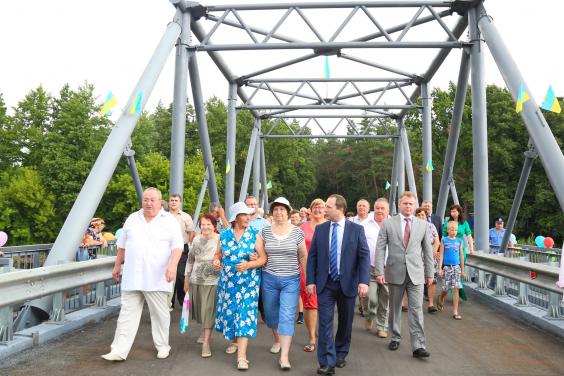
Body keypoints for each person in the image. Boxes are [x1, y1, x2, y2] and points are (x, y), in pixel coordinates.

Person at [101, 188, 183, 361]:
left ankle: (162, 346)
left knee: (160, 314)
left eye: (153, 200)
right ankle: (119, 350)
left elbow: (177, 247)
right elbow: (122, 245)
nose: (149, 203)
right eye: (146, 199)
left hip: (158, 276)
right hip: (132, 275)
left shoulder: (169, 221)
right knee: (126, 314)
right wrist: (117, 265)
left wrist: (173, 266)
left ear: (161, 202)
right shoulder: (132, 218)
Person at [306, 194, 370, 375]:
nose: (324, 209)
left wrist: (364, 281)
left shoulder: (356, 230)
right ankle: (327, 362)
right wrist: (311, 280)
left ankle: (341, 352)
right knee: (325, 323)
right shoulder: (321, 229)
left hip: (348, 283)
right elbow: (313, 257)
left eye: (328, 206)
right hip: (325, 284)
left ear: (339, 209)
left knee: (345, 321)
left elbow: (364, 256)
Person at [374, 191, 434, 359]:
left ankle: (418, 345)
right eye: (405, 203)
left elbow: (428, 252)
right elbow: (380, 248)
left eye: (411, 204)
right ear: (399, 205)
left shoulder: (423, 225)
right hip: (394, 272)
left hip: (416, 273)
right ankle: (395, 336)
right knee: (394, 307)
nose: (408, 206)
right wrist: (379, 271)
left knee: (416, 310)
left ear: (415, 206)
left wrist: (430, 274)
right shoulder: (388, 223)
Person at [213, 202, 267, 371]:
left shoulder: (254, 235)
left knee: (243, 317)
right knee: (231, 316)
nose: (249, 217)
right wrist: (216, 261)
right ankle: (234, 341)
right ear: (236, 218)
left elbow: (263, 258)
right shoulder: (224, 235)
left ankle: (242, 357)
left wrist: (249, 265)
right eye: (245, 215)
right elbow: (218, 254)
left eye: (249, 214)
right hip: (227, 283)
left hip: (248, 285)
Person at [255, 197, 307, 370]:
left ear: (288, 212)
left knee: (286, 316)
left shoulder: (297, 232)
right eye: (276, 209)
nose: (278, 213)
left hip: (291, 279)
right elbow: (259, 254)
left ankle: (284, 357)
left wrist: (308, 280)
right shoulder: (264, 231)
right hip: (269, 278)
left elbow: (303, 256)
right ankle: (277, 339)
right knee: (270, 314)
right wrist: (253, 257)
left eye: (282, 210)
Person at [184, 213, 220, 358]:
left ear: (214, 226)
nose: (205, 227)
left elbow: (225, 257)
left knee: (208, 310)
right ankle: (204, 332)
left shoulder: (220, 239)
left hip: (213, 281)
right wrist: (186, 278)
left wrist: (220, 265)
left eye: (208, 224)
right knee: (200, 310)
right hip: (195, 280)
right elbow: (190, 260)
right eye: (203, 224)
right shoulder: (196, 239)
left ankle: (206, 343)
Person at [299, 198, 326, 353]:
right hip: (307, 270)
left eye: (321, 207)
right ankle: (311, 337)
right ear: (310, 210)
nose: (317, 209)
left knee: (325, 303)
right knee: (310, 304)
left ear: (325, 210)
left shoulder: (330, 226)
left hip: (327, 271)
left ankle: (323, 333)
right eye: (314, 207)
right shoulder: (303, 228)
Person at [361, 198, 390, 338]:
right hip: (369, 267)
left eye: (382, 208)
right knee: (370, 297)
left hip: (388, 268)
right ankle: (369, 314)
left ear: (388, 210)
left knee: (385, 299)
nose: (379, 210)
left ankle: (382, 326)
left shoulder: (393, 224)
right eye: (377, 208)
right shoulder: (365, 224)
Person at [169, 193, 195, 309]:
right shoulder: (163, 216)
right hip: (167, 249)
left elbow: (191, 232)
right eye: (172, 200)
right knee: (169, 276)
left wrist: (190, 245)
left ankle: (182, 300)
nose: (173, 202)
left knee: (180, 275)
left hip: (182, 248)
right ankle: (169, 303)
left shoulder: (185, 217)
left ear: (180, 203)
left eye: (176, 200)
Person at [438, 221, 465, 320]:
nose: (454, 231)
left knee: (456, 289)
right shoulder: (444, 240)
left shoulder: (459, 241)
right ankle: (441, 298)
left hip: (456, 267)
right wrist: (440, 268)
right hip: (446, 267)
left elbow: (461, 256)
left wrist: (462, 270)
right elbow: (441, 255)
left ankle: (455, 311)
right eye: (452, 229)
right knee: (446, 288)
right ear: (448, 230)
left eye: (456, 230)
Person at [415, 208, 440, 313]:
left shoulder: (431, 226)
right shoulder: (412, 227)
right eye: (419, 215)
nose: (421, 217)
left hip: (429, 258)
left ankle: (431, 304)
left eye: (423, 215)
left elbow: (437, 241)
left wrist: (433, 252)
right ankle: (416, 304)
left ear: (426, 216)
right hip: (416, 258)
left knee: (432, 281)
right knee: (416, 281)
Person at [352, 199, 371, 317]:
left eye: (364, 206)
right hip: (353, 256)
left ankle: (364, 305)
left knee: (364, 279)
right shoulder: (351, 221)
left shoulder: (372, 221)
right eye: (359, 206)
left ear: (368, 208)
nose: (361, 208)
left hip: (367, 255)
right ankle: (362, 305)